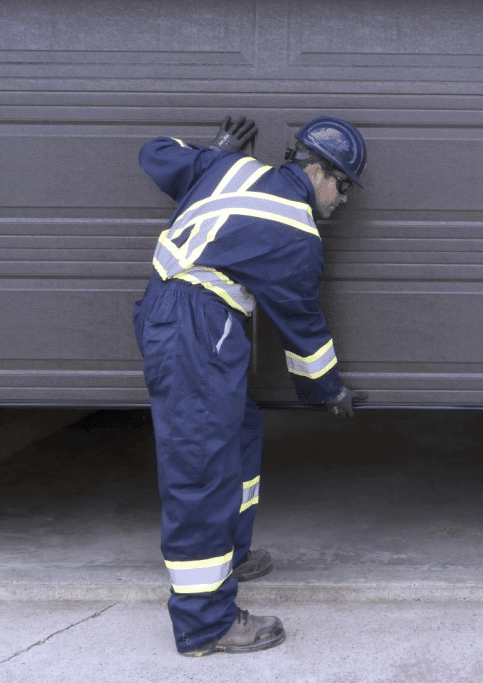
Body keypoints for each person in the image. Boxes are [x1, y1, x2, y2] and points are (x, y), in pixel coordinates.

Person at [132, 115, 369, 656]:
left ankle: (230, 554)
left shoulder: (229, 167)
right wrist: (328, 391)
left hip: (177, 321)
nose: (345, 199)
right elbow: (302, 327)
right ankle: (205, 623)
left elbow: (155, 154)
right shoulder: (297, 232)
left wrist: (211, 150)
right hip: (196, 329)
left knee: (237, 434)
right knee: (201, 469)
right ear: (318, 170)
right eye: (345, 185)